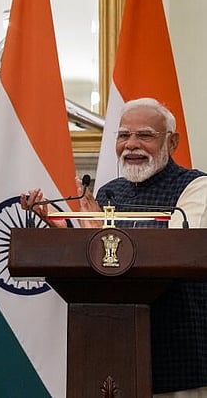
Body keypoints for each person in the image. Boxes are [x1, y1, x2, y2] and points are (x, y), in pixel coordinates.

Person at [21, 97, 207, 397]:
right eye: (123, 136)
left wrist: (105, 234)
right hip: (109, 355)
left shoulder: (195, 187)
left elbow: (177, 246)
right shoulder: (110, 192)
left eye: (144, 135)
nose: (131, 144)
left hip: (178, 355)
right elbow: (100, 263)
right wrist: (65, 234)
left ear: (172, 143)